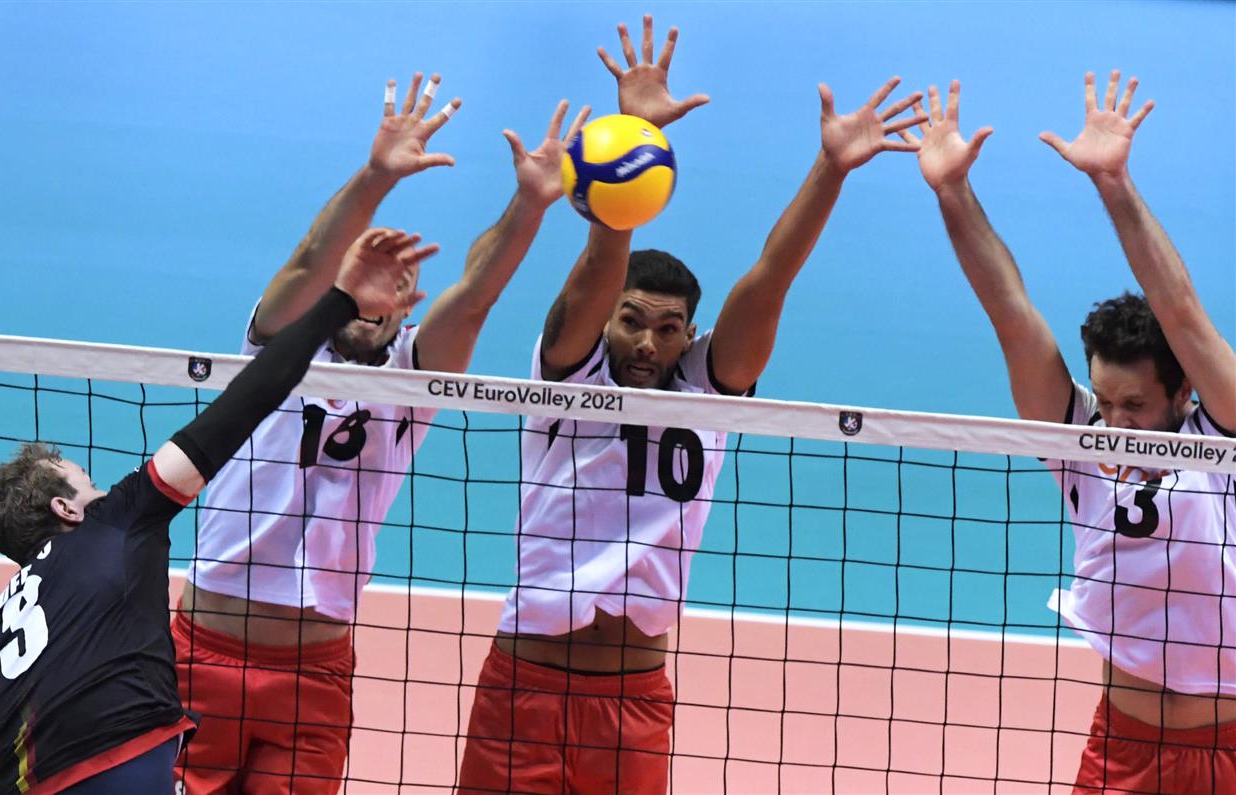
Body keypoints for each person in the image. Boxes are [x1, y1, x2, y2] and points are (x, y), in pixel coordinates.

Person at [456, 15, 926, 794]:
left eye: (668, 329)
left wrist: (831, 169)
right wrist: (633, 140)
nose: (647, 342)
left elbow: (770, 277)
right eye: (631, 321)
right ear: (609, 321)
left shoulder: (708, 393)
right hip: (525, 690)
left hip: (633, 702)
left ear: (689, 335)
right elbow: (599, 268)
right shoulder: (569, 372)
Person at [174, 71, 589, 793]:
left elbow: (477, 296)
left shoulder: (411, 379)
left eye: (393, 286)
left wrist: (528, 206)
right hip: (201, 656)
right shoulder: (272, 348)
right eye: (361, 279)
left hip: (312, 677)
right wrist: (376, 177)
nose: (374, 297)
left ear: (409, 305)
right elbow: (309, 259)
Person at [0, 227, 431, 795]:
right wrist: (338, 302)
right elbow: (245, 402)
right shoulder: (116, 523)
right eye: (85, 480)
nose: (99, 486)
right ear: (65, 509)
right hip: (117, 768)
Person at [902, 73, 1236, 794]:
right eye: (1105, 401)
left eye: (1135, 404)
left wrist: (1114, 184)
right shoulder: (1084, 445)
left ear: (1183, 392)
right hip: (1123, 749)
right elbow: (1011, 312)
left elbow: (1181, 311)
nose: (1116, 422)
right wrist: (953, 194)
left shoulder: (1224, 436)